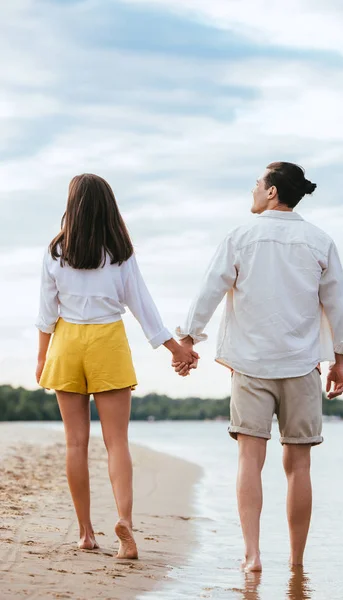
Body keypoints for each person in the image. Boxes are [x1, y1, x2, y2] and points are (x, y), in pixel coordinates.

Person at [174, 162, 343, 571]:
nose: (254, 189)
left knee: (248, 461)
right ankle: (296, 562)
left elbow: (209, 290)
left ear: (272, 192)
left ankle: (253, 556)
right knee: (299, 467)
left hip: (250, 365)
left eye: (258, 183)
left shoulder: (240, 237)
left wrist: (188, 338)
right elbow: (338, 305)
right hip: (302, 366)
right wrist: (339, 361)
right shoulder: (320, 240)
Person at [35, 173, 198, 558]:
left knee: (75, 443)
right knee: (117, 443)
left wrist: (42, 358)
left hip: (67, 344)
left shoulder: (55, 253)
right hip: (108, 342)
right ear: (109, 207)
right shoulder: (120, 253)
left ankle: (86, 532)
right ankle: (125, 521)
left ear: (72, 207)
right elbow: (144, 308)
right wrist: (176, 349)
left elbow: (46, 313)